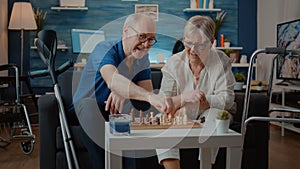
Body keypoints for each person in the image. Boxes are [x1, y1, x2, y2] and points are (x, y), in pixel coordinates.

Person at [71, 13, 172, 169]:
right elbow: (112, 78)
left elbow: (145, 96)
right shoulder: (104, 48)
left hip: (117, 112)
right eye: (142, 36)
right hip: (89, 111)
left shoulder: (142, 58)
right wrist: (119, 86)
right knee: (88, 106)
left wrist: (124, 90)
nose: (146, 45)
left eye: (151, 39)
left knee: (135, 117)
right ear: (126, 31)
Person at [156, 15, 236, 169]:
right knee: (162, 120)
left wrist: (196, 104)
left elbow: (226, 99)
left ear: (212, 42)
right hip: (182, 113)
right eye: (188, 42)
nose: (192, 50)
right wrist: (185, 98)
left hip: (214, 111)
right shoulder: (174, 62)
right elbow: (163, 100)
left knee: (214, 115)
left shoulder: (221, 60)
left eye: (199, 45)